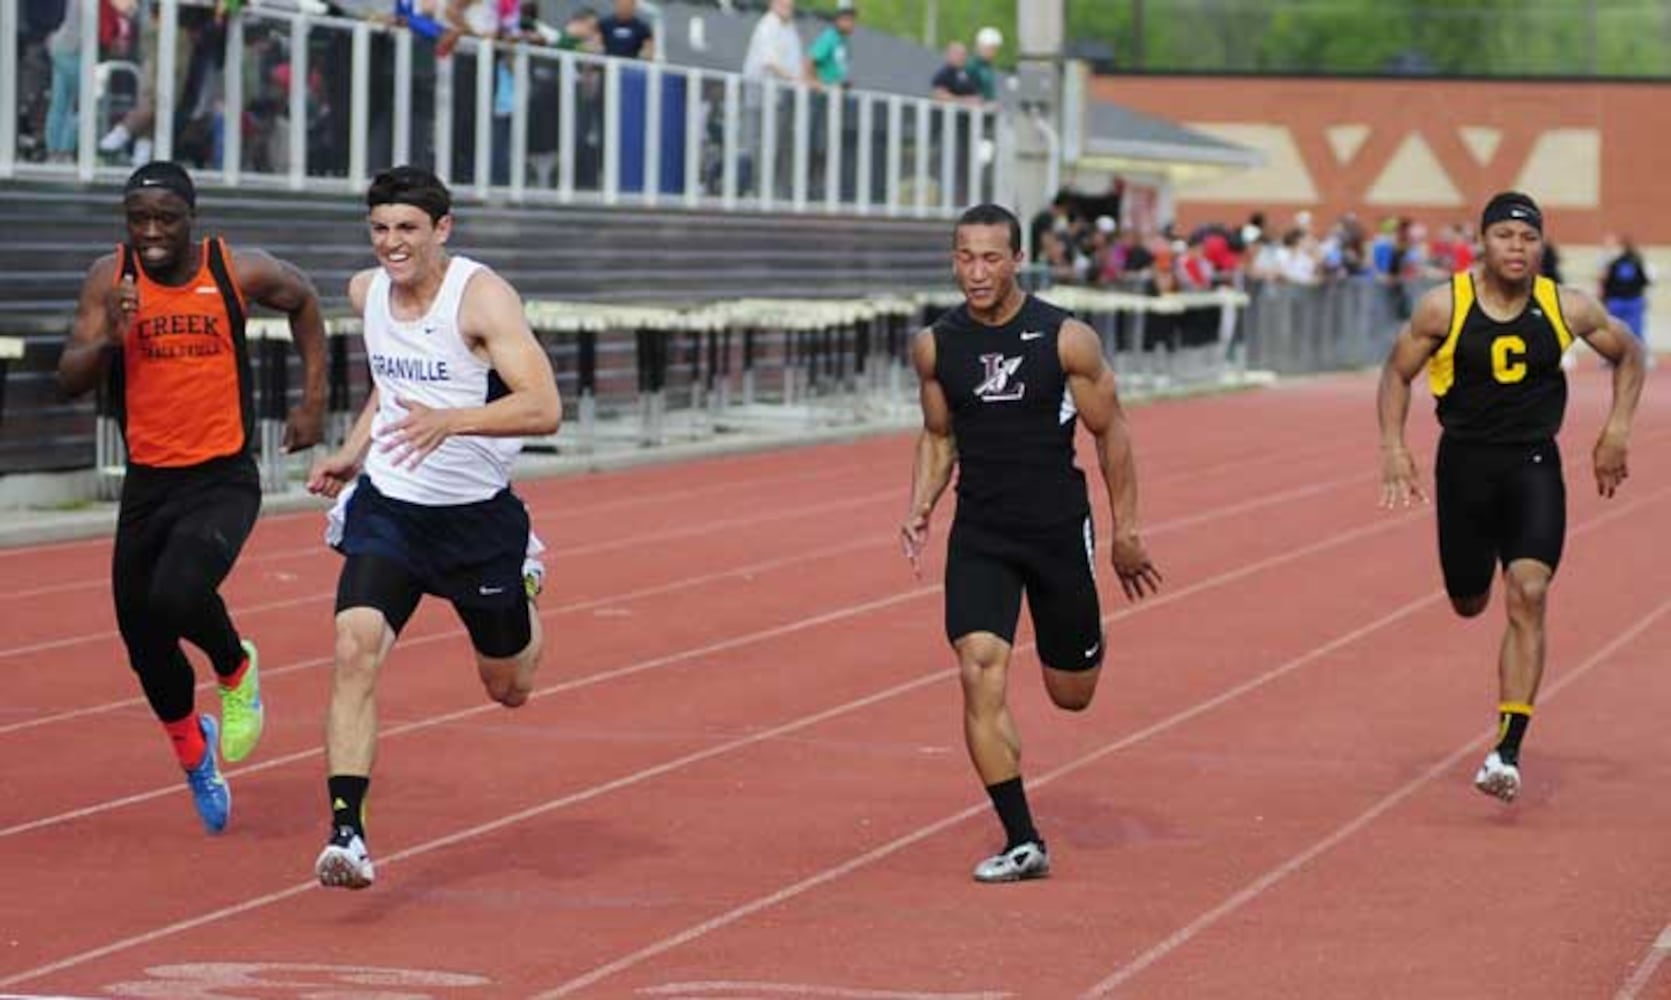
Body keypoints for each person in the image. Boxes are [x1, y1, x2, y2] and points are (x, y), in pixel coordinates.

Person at [305, 166, 561, 889]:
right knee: (354, 645)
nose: (393, 244)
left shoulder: (480, 298)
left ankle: (525, 583)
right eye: (381, 229)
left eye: (408, 230)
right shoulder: (365, 292)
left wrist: (451, 420)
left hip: (476, 520)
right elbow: (391, 381)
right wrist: (354, 456)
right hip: (390, 510)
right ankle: (347, 833)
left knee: (508, 687)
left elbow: (543, 406)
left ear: (442, 230)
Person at [57, 161, 327, 833]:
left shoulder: (234, 269)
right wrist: (111, 340)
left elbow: (306, 299)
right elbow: (68, 378)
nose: (151, 232)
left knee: (178, 594)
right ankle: (194, 755)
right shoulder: (110, 278)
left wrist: (315, 402)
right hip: (149, 482)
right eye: (138, 219)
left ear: (191, 219)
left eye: (165, 219)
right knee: (143, 641)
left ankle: (236, 670)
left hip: (221, 478)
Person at [900, 203, 1162, 882]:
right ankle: (1022, 838)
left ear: (1018, 259)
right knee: (977, 668)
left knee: (1071, 693)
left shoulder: (1064, 339)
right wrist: (921, 504)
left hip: (1054, 531)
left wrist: (1124, 533)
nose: (976, 271)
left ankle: (1083, 634)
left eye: (990, 257)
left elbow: (1113, 432)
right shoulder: (936, 346)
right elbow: (938, 434)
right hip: (981, 532)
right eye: (964, 257)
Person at [1378, 191, 1645, 803]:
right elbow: (1396, 373)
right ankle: (1475, 587)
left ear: (1541, 245)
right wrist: (1393, 446)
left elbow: (1629, 353)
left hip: (1532, 465)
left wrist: (1617, 429)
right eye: (1505, 237)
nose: (1517, 249)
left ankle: (1507, 748)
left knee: (1529, 592)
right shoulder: (1445, 307)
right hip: (1464, 469)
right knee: (1470, 601)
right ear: (1484, 242)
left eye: (1527, 239)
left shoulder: (1565, 307)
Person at [1600, 235, 1652, 354]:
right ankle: (1640, 356)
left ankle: (1612, 356)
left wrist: (1604, 298)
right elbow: (1645, 281)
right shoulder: (1637, 262)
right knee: (1635, 331)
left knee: (1614, 331)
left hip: (1617, 301)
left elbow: (1605, 282)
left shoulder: (1613, 263)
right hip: (1633, 300)